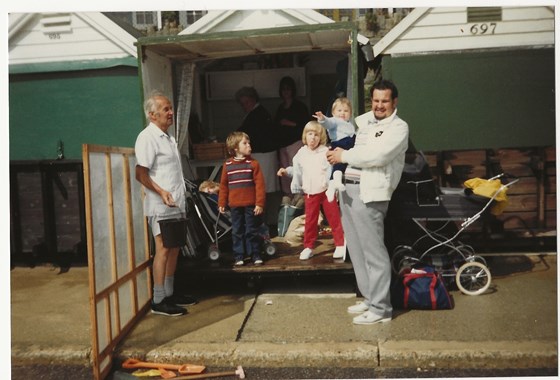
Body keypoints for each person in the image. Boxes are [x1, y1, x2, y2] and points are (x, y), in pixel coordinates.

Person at [326, 80, 409, 325]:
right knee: (357, 251)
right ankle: (370, 298)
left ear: (394, 102)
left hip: (369, 194)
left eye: (384, 101)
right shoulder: (363, 123)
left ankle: (381, 309)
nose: (379, 105)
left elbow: (377, 156)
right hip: (348, 191)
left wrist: (343, 155)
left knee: (374, 252)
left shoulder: (398, 127)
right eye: (376, 100)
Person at [134, 91, 197, 317]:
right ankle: (158, 299)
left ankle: (170, 293)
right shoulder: (147, 138)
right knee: (162, 249)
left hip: (176, 204)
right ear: (152, 115)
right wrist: (161, 192)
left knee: (174, 249)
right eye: (166, 110)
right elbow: (140, 174)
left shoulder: (168, 137)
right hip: (160, 206)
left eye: (171, 109)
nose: (171, 113)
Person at [281, 121, 345, 261]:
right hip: (310, 192)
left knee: (334, 217)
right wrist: (286, 171)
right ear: (305, 136)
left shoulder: (325, 151)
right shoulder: (301, 153)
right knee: (310, 220)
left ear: (321, 137)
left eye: (316, 135)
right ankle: (308, 247)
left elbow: (333, 168)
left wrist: (333, 185)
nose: (313, 138)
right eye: (310, 134)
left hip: (326, 190)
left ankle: (340, 244)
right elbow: (296, 170)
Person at [218, 131, 266, 266]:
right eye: (245, 143)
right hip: (235, 205)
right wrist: (222, 202)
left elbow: (260, 185)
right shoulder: (227, 165)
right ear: (235, 148)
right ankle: (239, 255)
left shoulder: (253, 163)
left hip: (251, 204)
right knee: (237, 231)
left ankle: (255, 254)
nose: (249, 145)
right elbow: (223, 186)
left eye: (249, 142)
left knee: (252, 230)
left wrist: (259, 203)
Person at [235, 87, 280, 194]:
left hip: (263, 154)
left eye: (246, 102)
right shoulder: (256, 113)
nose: (244, 106)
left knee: (263, 186)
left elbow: (247, 132)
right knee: (264, 185)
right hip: (263, 153)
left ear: (254, 99)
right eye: (242, 104)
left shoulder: (258, 114)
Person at [313, 97, 356, 202]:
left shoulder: (350, 124)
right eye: (339, 110)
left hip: (349, 145)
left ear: (350, 113)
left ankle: (331, 187)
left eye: (346, 111)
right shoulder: (335, 121)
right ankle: (336, 181)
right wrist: (322, 118)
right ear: (333, 113)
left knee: (343, 164)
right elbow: (328, 123)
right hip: (339, 143)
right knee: (339, 164)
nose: (342, 113)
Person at [274, 76, 310, 196]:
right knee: (284, 171)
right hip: (282, 145)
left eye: (288, 89)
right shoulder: (280, 107)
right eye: (283, 89)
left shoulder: (299, 106)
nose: (286, 91)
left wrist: (289, 123)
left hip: (295, 143)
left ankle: (298, 195)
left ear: (293, 90)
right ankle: (287, 196)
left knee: (296, 169)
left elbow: (306, 125)